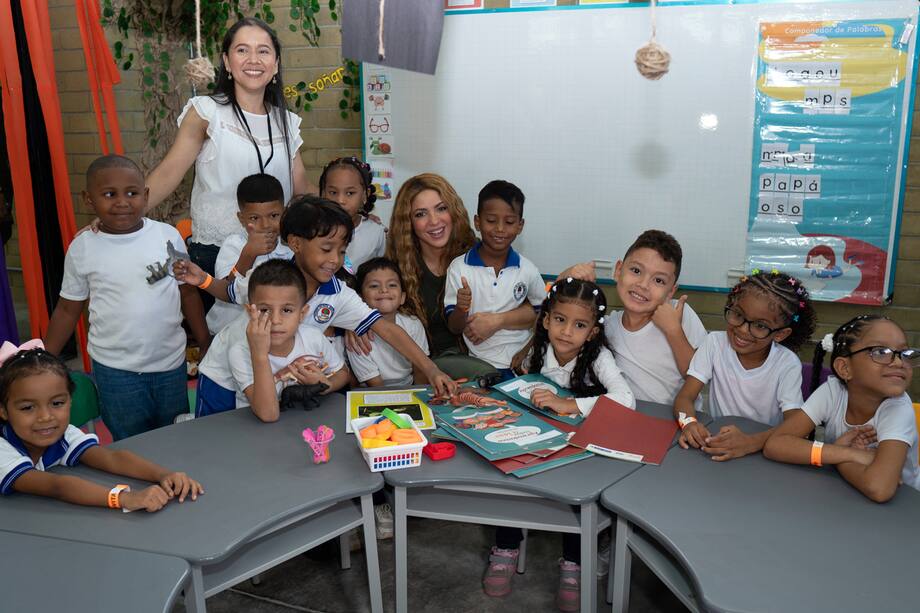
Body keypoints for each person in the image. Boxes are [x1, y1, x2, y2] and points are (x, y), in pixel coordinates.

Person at [175, 196, 457, 397]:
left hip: (274, 386)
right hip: (224, 379)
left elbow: (385, 328)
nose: (334, 259)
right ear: (296, 243)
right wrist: (202, 280)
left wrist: (431, 370)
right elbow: (229, 290)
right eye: (326, 249)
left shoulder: (337, 293)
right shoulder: (269, 278)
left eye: (342, 250)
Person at [485, 277, 634, 612]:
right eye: (560, 320)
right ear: (547, 319)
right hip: (536, 441)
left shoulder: (598, 358)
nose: (567, 331)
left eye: (579, 325)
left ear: (592, 331)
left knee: (577, 499)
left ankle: (572, 564)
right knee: (511, 483)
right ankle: (505, 550)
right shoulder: (536, 350)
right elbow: (523, 384)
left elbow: (625, 400)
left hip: (579, 452)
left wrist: (571, 405)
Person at [143, 17, 317, 292]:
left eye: (263, 51)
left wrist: (351, 211)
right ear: (226, 61)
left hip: (274, 252)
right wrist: (126, 213)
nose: (253, 59)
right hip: (216, 252)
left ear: (276, 64)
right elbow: (169, 171)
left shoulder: (287, 121)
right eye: (242, 50)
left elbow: (301, 188)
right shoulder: (206, 112)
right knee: (221, 334)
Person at [44, 155, 209, 440]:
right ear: (88, 200)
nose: (122, 202)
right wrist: (44, 361)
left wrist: (205, 340)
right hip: (116, 371)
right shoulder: (82, 248)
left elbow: (188, 293)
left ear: (145, 196)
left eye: (132, 193)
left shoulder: (166, 236)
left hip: (170, 364)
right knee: (131, 443)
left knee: (176, 437)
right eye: (109, 194)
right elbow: (67, 310)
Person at [0, 343, 203, 510]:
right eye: (27, 407)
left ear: (70, 401)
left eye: (57, 403)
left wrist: (164, 475)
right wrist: (123, 498)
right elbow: (57, 486)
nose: (45, 417)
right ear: (3, 411)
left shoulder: (61, 433)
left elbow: (111, 458)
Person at [764, 316, 919, 502]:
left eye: (905, 353)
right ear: (844, 368)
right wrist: (850, 454)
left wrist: (839, 461)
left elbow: (879, 488)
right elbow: (776, 444)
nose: (899, 362)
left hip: (906, 506)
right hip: (843, 495)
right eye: (880, 351)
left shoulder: (898, 408)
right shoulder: (832, 392)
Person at [549, 229, 708, 407]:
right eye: (636, 270)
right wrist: (564, 279)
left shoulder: (680, 314)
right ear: (618, 271)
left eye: (659, 281)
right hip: (624, 413)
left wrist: (674, 331)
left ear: (671, 291)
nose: (643, 285)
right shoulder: (606, 326)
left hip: (674, 419)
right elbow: (553, 323)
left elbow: (698, 377)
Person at [674, 270, 817, 460]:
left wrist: (751, 443)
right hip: (717, 443)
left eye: (760, 326)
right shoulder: (714, 343)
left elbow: (797, 426)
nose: (742, 329)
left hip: (762, 451)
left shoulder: (786, 363)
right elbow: (685, 397)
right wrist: (689, 423)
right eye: (737, 315)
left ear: (780, 334)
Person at [196, 259, 348, 421]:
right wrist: (259, 354)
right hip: (255, 429)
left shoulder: (314, 337)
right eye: (264, 310)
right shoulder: (241, 351)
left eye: (287, 310)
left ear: (302, 313)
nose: (276, 320)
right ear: (250, 312)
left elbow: (342, 373)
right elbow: (268, 414)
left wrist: (325, 384)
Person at [443, 180, 546, 378]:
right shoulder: (459, 268)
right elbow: (454, 327)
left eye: (509, 222)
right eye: (491, 220)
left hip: (524, 363)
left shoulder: (527, 269)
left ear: (520, 225)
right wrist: (461, 308)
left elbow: (544, 314)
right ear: (477, 222)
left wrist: (526, 349)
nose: (500, 229)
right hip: (480, 367)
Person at [384, 173, 477, 357]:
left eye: (441, 208)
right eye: (421, 214)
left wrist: (498, 320)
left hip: (481, 366)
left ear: (454, 210)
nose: (434, 221)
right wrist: (358, 328)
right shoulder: (396, 268)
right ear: (408, 222)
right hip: (422, 372)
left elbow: (531, 308)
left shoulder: (478, 253)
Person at [206, 173, 292, 334]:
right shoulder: (234, 244)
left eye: (273, 216)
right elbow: (227, 289)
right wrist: (248, 253)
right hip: (227, 332)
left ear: (284, 212)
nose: (265, 225)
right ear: (241, 218)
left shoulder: (290, 247)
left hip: (271, 331)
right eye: (255, 218)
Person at [347, 258, 429, 387]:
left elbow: (420, 369)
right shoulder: (356, 336)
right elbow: (375, 385)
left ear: (402, 297)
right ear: (360, 298)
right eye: (374, 286)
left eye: (392, 285)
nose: (384, 290)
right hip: (373, 392)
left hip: (409, 387)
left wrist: (420, 397)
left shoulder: (413, 324)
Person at [320, 157, 385, 269]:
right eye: (333, 192)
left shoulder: (376, 232)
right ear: (323, 193)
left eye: (350, 193)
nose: (340, 200)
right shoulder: (313, 229)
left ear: (365, 194)